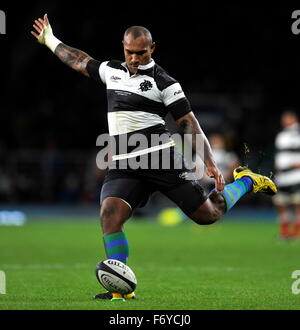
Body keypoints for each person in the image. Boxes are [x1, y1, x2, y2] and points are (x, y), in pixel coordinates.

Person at [31, 14, 277, 301]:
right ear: (122, 47)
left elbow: (187, 122)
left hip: (161, 159)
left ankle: (245, 181)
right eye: (129, 52)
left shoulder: (165, 82)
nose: (134, 58)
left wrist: (209, 161)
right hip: (125, 164)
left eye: (141, 52)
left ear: (152, 48)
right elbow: (78, 60)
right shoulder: (112, 70)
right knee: (110, 214)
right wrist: (49, 39)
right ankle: (120, 290)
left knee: (209, 216)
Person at [273, 111, 300, 240]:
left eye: (287, 118)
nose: (284, 121)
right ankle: (284, 232)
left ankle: (296, 232)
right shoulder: (282, 135)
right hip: (282, 177)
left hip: (296, 176)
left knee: (297, 204)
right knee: (281, 204)